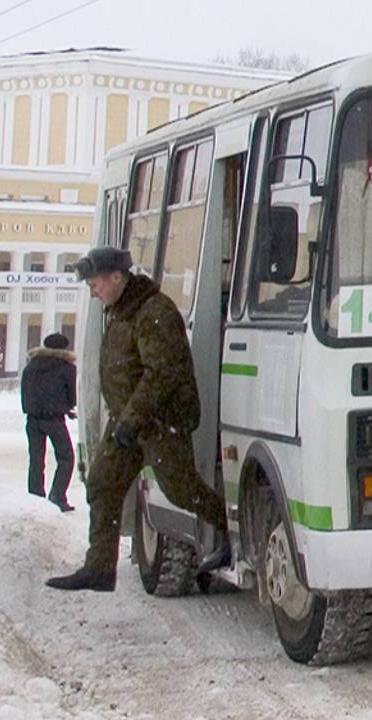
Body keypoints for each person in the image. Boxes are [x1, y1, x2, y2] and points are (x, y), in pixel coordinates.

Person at [46, 246, 229, 592]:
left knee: (183, 490)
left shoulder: (153, 311)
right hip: (130, 418)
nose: (93, 291)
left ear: (117, 276)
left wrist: (132, 418)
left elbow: (161, 373)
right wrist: (125, 418)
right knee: (102, 481)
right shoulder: (122, 310)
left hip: (159, 421)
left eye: (96, 283)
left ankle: (235, 532)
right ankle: (99, 567)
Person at [20, 332, 77, 511]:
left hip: (33, 419)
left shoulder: (31, 366)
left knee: (36, 460)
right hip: (54, 419)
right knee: (66, 457)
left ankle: (35, 497)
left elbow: (25, 393)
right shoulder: (67, 367)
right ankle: (58, 496)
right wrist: (65, 407)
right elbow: (72, 397)